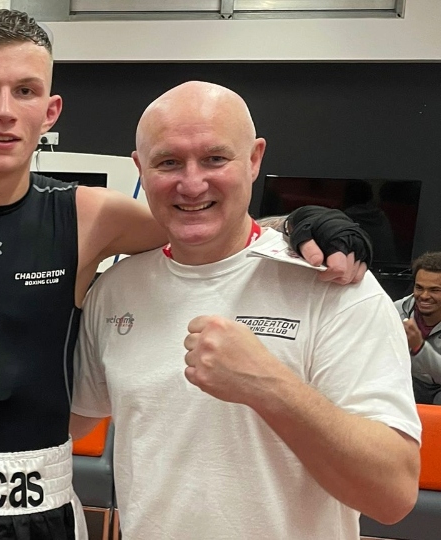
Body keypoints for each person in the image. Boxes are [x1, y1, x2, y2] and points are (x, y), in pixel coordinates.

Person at [0, 9, 370, 539]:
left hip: (44, 503)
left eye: (24, 90)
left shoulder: (91, 216)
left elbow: (204, 217)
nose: (4, 109)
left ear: (49, 111)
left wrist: (297, 224)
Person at [70, 81, 421, 539]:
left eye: (215, 158)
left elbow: (392, 495)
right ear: (140, 167)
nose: (192, 183)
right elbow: (66, 425)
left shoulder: (335, 286)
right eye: (168, 161)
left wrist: (269, 387)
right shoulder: (116, 291)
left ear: (254, 159)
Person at [397, 251, 441, 404]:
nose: (424, 295)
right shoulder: (396, 311)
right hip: (405, 383)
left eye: (435, 290)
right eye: (419, 287)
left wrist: (419, 347)